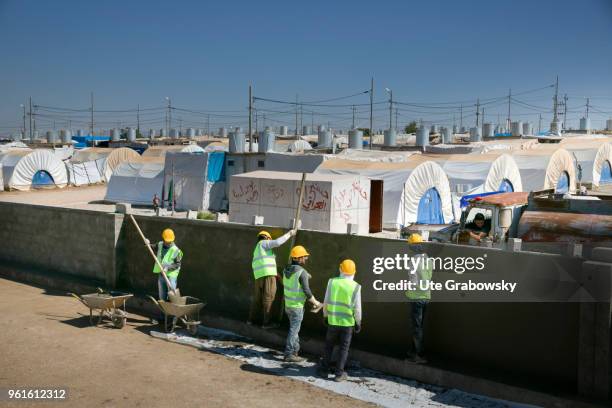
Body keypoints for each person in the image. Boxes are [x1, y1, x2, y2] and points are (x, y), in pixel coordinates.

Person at [317, 259, 361, 382]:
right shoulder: (356, 287)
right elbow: (357, 308)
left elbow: (326, 302)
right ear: (354, 272)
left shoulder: (332, 282)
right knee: (344, 349)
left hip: (333, 320)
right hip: (347, 324)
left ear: (340, 269)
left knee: (329, 346)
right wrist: (358, 322)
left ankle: (324, 370)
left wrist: (325, 316)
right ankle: (339, 374)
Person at [248, 229, 296, 329]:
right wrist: (290, 234)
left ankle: (251, 321)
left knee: (258, 299)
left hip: (259, 277)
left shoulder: (257, 250)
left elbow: (268, 267)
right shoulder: (264, 243)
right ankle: (266, 323)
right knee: (268, 298)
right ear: (267, 238)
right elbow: (278, 242)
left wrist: (279, 278)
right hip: (267, 277)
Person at [282, 245, 321, 362]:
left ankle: (295, 350)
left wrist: (306, 275)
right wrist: (316, 303)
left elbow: (295, 277)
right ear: (298, 258)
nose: (306, 259)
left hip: (288, 305)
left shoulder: (286, 269)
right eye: (304, 257)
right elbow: (306, 291)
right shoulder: (302, 273)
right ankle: (288, 354)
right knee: (294, 330)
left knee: (295, 329)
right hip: (297, 307)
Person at [405, 233, 432, 364]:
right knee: (419, 326)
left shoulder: (413, 262)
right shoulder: (428, 259)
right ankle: (413, 351)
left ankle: (418, 355)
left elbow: (414, 282)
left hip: (416, 298)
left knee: (416, 328)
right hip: (426, 296)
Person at [147, 228, 183, 301]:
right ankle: (163, 309)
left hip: (171, 277)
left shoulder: (176, 250)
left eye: (170, 241)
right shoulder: (160, 244)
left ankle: (172, 310)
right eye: (167, 241)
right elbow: (153, 246)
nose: (168, 242)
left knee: (172, 296)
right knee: (162, 295)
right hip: (161, 274)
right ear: (163, 239)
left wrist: (167, 268)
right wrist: (147, 243)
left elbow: (177, 265)